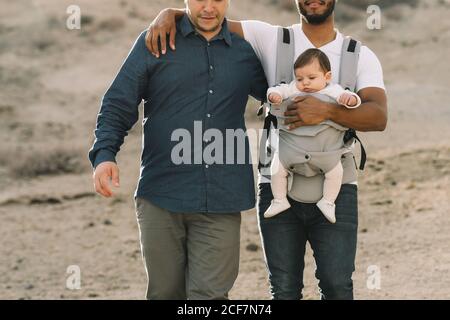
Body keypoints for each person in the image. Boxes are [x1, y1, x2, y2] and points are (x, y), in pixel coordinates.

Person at [146, 0, 388, 300]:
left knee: (338, 287)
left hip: (337, 189)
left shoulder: (359, 54)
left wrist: (327, 112)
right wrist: (171, 13)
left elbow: (378, 116)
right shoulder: (269, 37)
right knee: (283, 290)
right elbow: (210, 18)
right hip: (276, 186)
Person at [88, 0, 267, 300]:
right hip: (161, 196)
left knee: (209, 297)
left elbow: (289, 92)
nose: (209, 7)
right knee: (165, 294)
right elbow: (119, 102)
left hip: (223, 198)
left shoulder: (246, 52)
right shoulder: (154, 41)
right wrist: (104, 155)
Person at [264, 48, 361, 222]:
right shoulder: (294, 89)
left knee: (336, 172)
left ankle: (328, 202)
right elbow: (280, 89)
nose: (305, 83)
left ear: (327, 76)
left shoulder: (332, 91)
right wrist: (274, 96)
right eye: (300, 78)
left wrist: (351, 100)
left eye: (311, 78)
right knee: (276, 168)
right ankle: (279, 199)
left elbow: (346, 97)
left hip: (326, 154)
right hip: (291, 152)